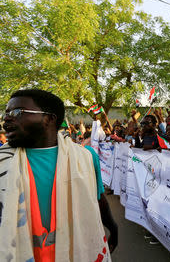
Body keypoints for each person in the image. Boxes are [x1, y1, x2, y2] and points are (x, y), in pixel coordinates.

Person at [0, 89, 117, 261]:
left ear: (49, 119)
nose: (6, 118)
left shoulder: (85, 157)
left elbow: (96, 198)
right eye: (6, 112)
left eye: (17, 112)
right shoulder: (3, 162)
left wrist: (113, 228)